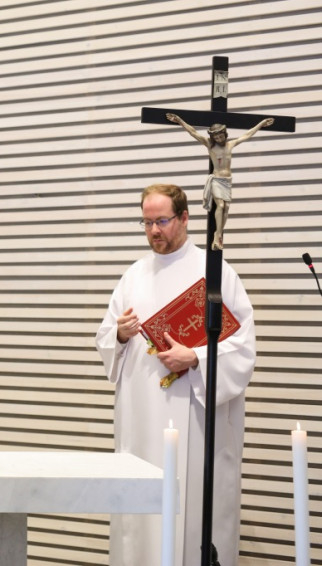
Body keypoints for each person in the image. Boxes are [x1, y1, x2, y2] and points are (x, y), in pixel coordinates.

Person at [95, 184, 255, 566]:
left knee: (192, 515)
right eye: (147, 222)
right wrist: (119, 334)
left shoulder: (215, 274)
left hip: (195, 423)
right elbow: (105, 338)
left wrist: (196, 357)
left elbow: (244, 347)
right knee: (142, 524)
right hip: (142, 423)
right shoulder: (133, 276)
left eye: (162, 221)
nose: (154, 231)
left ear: (184, 218)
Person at [166, 113, 274, 250]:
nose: (219, 139)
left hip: (227, 180)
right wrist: (180, 120)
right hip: (217, 179)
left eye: (221, 136)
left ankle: (219, 233)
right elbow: (193, 132)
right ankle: (217, 235)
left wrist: (261, 124)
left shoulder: (230, 145)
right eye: (216, 137)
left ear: (225, 134)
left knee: (227, 208)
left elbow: (247, 135)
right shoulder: (210, 146)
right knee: (221, 206)